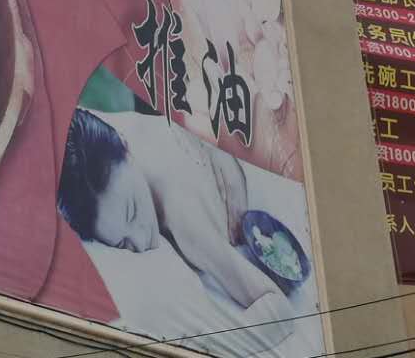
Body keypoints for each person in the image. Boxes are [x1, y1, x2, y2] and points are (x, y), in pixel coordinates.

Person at [58, 108, 295, 336]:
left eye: (133, 211)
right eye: (123, 243)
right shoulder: (104, 139)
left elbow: (277, 308)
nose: (141, 242)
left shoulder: (183, 215)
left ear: (126, 146)